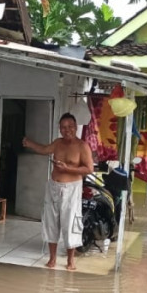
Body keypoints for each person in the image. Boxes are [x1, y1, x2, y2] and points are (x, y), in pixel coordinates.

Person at [22, 113, 94, 271]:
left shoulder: (82, 146)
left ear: (75, 127)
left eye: (70, 126)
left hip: (72, 188)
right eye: (63, 127)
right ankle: (52, 258)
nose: (66, 130)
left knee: (70, 223)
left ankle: (70, 260)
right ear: (59, 129)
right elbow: (44, 149)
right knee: (51, 222)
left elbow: (89, 169)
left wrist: (68, 168)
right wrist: (30, 143)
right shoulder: (58, 143)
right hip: (53, 187)